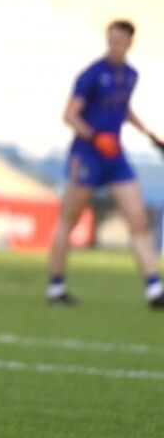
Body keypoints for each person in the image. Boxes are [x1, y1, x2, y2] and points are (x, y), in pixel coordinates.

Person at [46, 19, 164, 308]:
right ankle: (56, 286)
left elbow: (123, 108)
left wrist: (148, 133)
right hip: (87, 155)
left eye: (118, 41)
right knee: (69, 220)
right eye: (110, 40)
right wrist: (95, 137)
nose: (113, 45)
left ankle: (154, 288)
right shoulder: (91, 75)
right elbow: (70, 115)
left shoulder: (131, 75)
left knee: (137, 219)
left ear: (129, 43)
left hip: (115, 157)